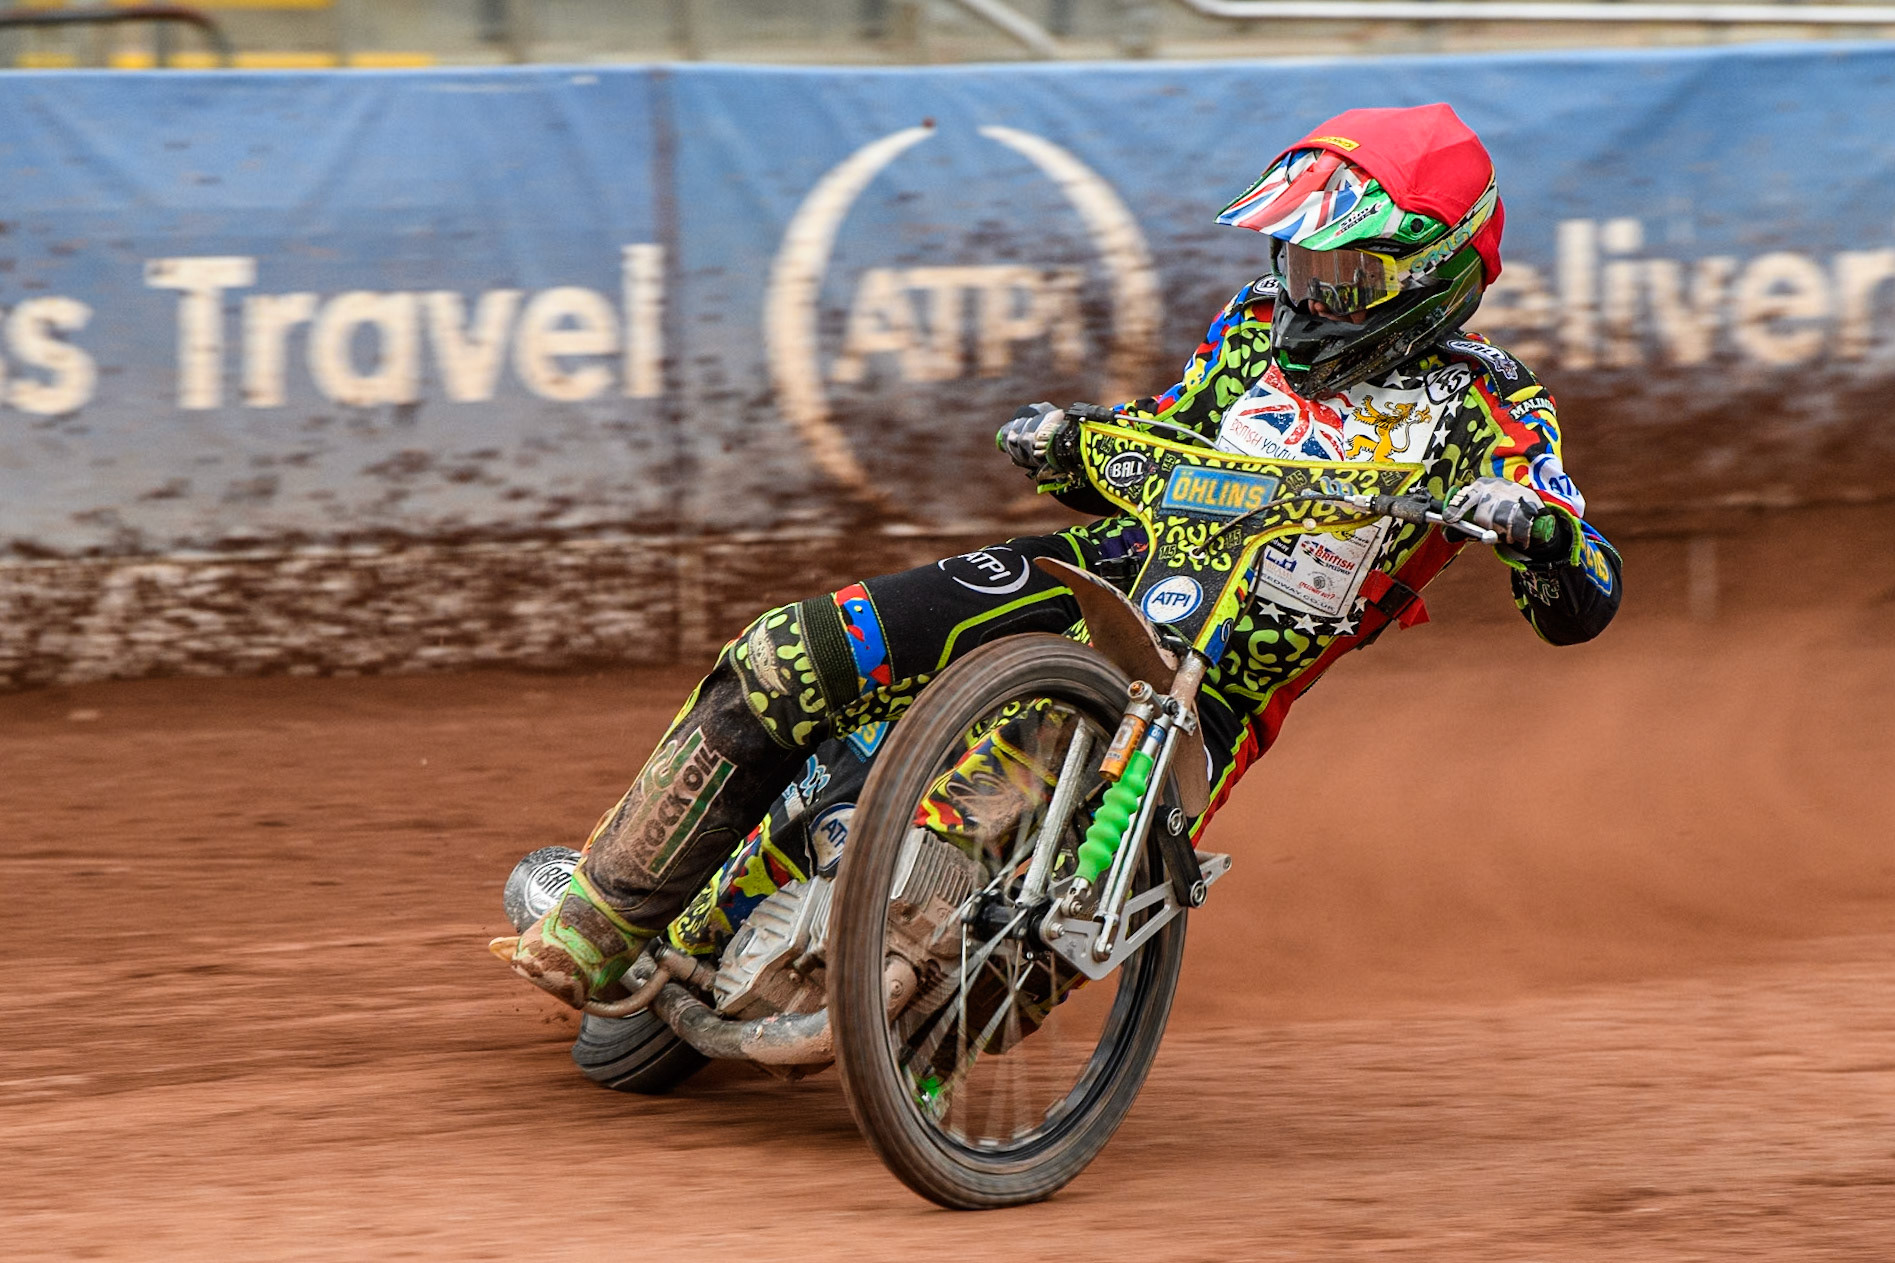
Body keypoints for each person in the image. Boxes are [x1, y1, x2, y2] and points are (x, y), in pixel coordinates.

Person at [493, 102, 1623, 1009]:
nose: (1307, 296)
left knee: (1012, 965)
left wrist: (1537, 534)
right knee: (793, 656)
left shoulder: (1491, 410)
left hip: (1208, 693)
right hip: (1091, 580)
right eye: (1297, 264)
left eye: (1345, 279)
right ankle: (596, 920)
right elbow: (1164, 439)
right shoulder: (1249, 328)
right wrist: (1072, 439)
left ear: (1434, 275)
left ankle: (922, 1049)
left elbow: (1581, 594)